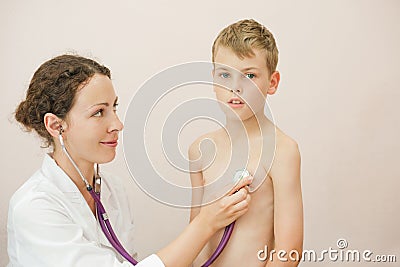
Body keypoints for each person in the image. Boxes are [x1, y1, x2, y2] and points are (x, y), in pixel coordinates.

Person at [8, 54, 253, 267]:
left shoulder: (112, 189)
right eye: (98, 112)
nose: (117, 124)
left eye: (114, 108)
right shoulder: (34, 208)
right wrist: (206, 223)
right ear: (56, 125)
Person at [189, 19, 303, 266]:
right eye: (225, 75)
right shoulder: (200, 150)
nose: (235, 88)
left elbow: (289, 251)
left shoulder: (282, 151)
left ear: (272, 83)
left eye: (249, 75)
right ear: (213, 79)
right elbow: (194, 238)